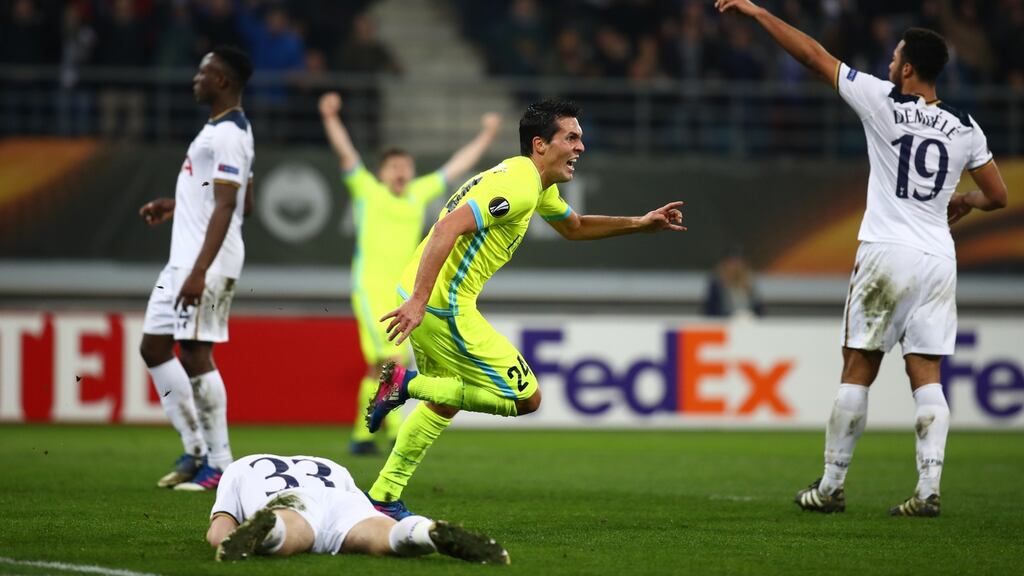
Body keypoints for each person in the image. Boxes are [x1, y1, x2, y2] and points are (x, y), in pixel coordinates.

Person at [715, 0, 1008, 517]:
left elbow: (813, 55)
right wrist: (966, 199)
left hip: (887, 251)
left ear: (908, 68)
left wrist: (759, 14)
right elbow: (999, 196)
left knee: (858, 367)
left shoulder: (882, 100)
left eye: (895, 57)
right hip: (938, 257)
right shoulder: (966, 126)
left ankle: (831, 486)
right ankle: (928, 489)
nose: (890, 63)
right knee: (928, 375)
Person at [363, 98, 686, 518]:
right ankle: (406, 384)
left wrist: (639, 223)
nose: (580, 147)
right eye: (571, 137)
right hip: (441, 305)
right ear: (540, 144)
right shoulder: (516, 186)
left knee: (445, 401)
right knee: (525, 399)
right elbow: (445, 228)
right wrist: (420, 302)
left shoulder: (534, 184)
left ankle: (384, 496)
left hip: (419, 294)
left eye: (580, 138)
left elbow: (574, 227)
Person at [318, 92, 503, 455]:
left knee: (379, 365)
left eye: (406, 166)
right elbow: (346, 153)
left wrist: (487, 135)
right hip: (370, 289)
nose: (401, 171)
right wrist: (329, 116)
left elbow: (457, 166)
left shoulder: (419, 193)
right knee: (393, 361)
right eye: (394, 166)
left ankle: (363, 436)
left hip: (402, 291)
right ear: (382, 172)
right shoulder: (368, 191)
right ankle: (389, 431)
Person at [138, 46, 256, 492]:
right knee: (154, 347)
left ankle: (221, 464)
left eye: (204, 72)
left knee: (194, 353)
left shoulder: (228, 134)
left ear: (221, 81)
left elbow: (229, 206)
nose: (196, 78)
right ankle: (195, 449)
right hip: (185, 257)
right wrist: (180, 204)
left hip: (205, 260)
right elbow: (242, 201)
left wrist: (200, 271)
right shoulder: (226, 130)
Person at [206, 454, 509, 564]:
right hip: (343, 500)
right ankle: (424, 531)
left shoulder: (239, 467)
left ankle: (270, 531)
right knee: (384, 537)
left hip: (292, 500)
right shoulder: (332, 466)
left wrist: (228, 541)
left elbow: (219, 532)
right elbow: (365, 508)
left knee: (290, 531)